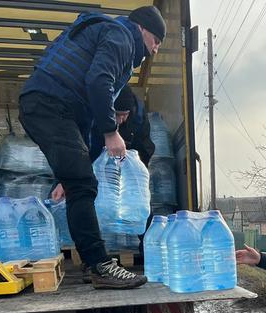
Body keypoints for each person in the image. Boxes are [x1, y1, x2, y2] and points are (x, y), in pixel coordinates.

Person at [19, 6, 166, 289]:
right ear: (143, 29)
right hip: (50, 104)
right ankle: (99, 265)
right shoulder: (122, 36)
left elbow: (84, 125)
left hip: (49, 106)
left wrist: (67, 173)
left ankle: (94, 263)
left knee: (79, 181)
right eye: (156, 42)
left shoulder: (111, 35)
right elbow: (98, 80)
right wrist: (112, 132)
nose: (155, 50)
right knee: (84, 185)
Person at [89, 85, 154, 165]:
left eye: (124, 115)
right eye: (116, 115)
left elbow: (144, 147)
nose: (120, 120)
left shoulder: (138, 116)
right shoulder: (93, 114)